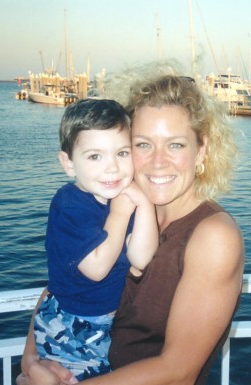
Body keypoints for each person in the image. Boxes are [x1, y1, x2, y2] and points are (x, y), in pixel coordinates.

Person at [18, 70, 244, 385]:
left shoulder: (213, 236)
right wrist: (32, 357)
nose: (158, 161)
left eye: (175, 145)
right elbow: (64, 280)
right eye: (142, 145)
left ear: (201, 150)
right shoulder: (114, 205)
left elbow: (178, 372)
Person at [28, 98, 158, 382]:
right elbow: (96, 269)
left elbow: (141, 257)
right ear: (69, 163)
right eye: (95, 156)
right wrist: (122, 214)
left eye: (122, 153)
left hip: (105, 324)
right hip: (70, 324)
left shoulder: (121, 200)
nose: (111, 168)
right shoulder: (70, 204)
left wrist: (144, 205)